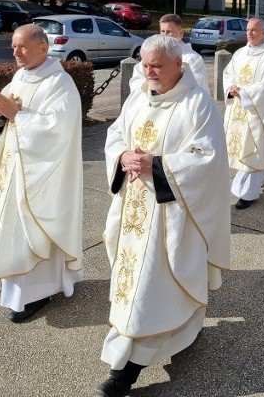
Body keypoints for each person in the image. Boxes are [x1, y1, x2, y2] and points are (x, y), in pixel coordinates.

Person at [97, 34, 230, 397]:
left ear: (178, 64)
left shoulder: (198, 104)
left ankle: (124, 371)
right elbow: (115, 136)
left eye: (156, 64)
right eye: (144, 62)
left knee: (152, 287)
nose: (148, 70)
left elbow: (208, 158)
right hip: (133, 209)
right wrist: (123, 157)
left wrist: (157, 165)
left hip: (171, 212)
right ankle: (174, 330)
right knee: (136, 283)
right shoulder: (139, 96)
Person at [0, 24, 83, 323]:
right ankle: (24, 290)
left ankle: (36, 292)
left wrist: (16, 116)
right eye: (13, 46)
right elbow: (4, 125)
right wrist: (0, 117)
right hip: (12, 169)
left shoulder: (60, 84)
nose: (15, 52)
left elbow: (57, 131)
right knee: (11, 228)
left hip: (43, 174)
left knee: (31, 228)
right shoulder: (19, 78)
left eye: (22, 46)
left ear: (43, 48)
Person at [223, 17, 264, 209]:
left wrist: (245, 93)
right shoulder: (240, 53)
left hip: (256, 111)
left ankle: (249, 194)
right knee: (241, 149)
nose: (250, 33)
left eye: (255, 30)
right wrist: (231, 88)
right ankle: (249, 184)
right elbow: (228, 73)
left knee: (254, 151)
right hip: (238, 111)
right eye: (248, 30)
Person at [129, 13, 209, 93]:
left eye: (169, 32)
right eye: (162, 31)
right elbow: (136, 81)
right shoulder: (153, 53)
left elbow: (197, 86)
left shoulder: (193, 59)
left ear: (181, 33)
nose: (165, 35)